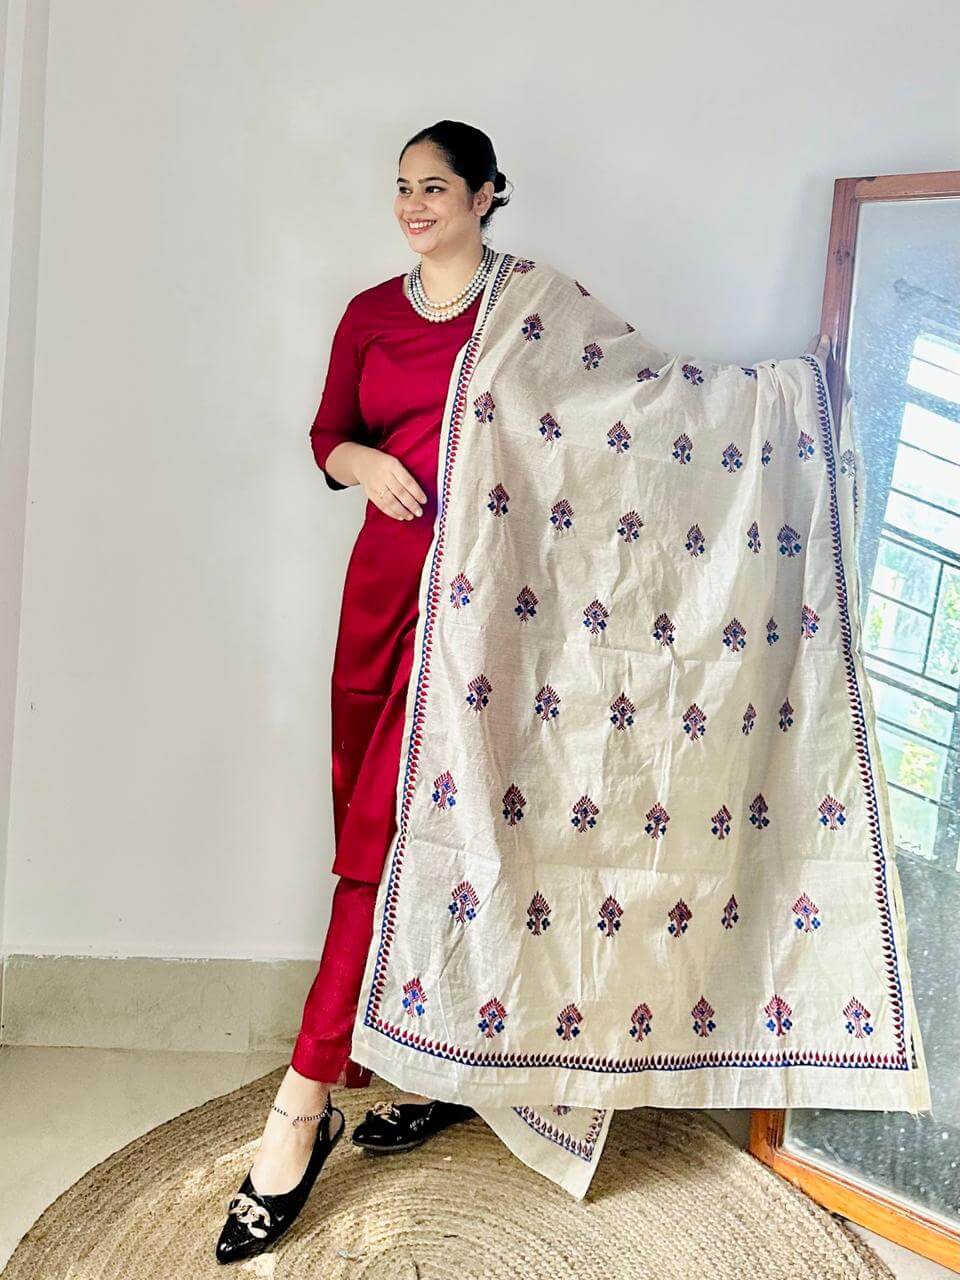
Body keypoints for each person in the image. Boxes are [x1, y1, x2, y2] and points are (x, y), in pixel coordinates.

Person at [215, 120, 513, 1264]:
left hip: (482, 609)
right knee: (371, 829)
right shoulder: (368, 314)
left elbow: (613, 418)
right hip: (382, 590)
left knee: (397, 838)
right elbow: (326, 433)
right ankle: (434, 1064)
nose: (413, 205)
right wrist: (367, 461)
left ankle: (300, 1109)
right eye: (402, 188)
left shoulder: (528, 314)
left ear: (486, 194)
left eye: (435, 186)